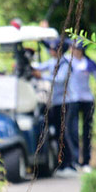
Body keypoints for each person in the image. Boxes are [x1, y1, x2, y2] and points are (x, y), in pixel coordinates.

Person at [32, 38, 77, 177]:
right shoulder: (52, 62)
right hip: (54, 103)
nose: (50, 51)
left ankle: (69, 164)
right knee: (55, 133)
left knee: (63, 133)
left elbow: (59, 79)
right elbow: (40, 67)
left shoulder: (65, 64)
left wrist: (43, 77)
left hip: (64, 103)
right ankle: (61, 163)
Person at [66, 40, 96, 173]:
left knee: (87, 129)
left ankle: (86, 161)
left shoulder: (88, 63)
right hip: (72, 99)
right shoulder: (66, 62)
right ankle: (74, 159)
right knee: (72, 129)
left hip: (87, 99)